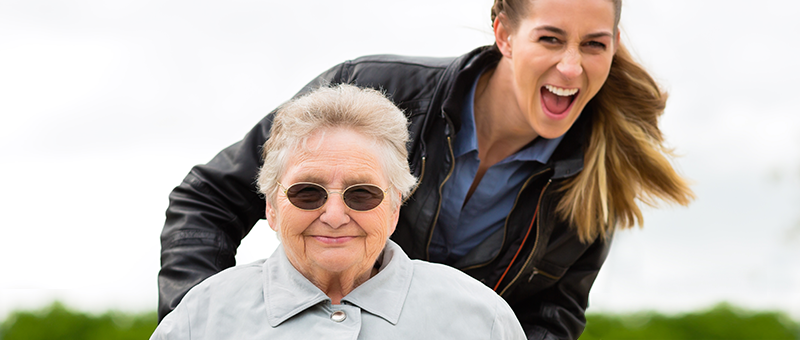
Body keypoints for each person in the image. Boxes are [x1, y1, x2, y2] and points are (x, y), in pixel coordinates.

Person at [158, 0, 694, 338]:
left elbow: (552, 317)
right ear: (504, 34)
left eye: (594, 45)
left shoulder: (597, 179)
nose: (571, 66)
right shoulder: (369, 90)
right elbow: (208, 199)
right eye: (549, 38)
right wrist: (208, 318)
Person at [151, 85, 526, 339]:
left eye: (361, 194)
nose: (333, 215)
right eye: (307, 193)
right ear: (271, 207)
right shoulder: (198, 320)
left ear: (394, 208)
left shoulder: (482, 319)